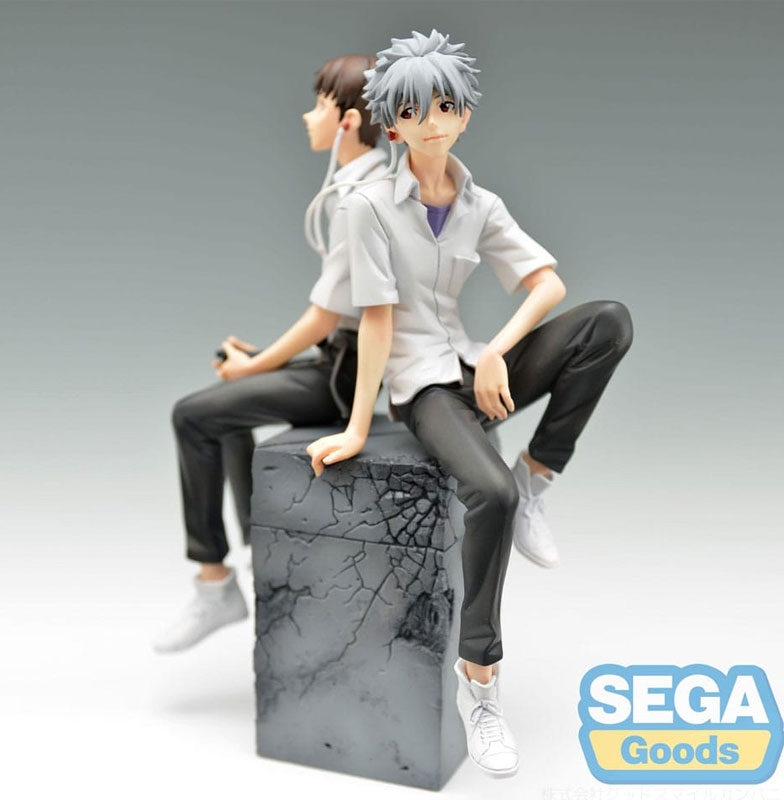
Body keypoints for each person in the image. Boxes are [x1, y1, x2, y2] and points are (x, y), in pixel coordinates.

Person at [306, 30, 633, 777]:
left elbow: (547, 283)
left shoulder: (479, 202)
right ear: (392, 127)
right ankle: (480, 681)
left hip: (473, 364)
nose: (433, 121)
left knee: (607, 322)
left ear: (464, 115)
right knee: (489, 494)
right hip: (423, 388)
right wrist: (357, 427)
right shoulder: (366, 207)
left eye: (446, 106)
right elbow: (377, 321)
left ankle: (538, 474)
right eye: (414, 110)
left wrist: (496, 350)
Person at [153, 54, 386, 654]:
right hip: (339, 360)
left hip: (343, 374)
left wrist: (255, 367)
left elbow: (325, 317)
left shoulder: (360, 198)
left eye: (320, 106)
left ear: (348, 121)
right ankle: (260, 549)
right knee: (223, 409)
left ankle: (215, 582)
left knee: (192, 415)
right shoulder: (361, 185)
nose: (308, 117)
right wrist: (259, 365)